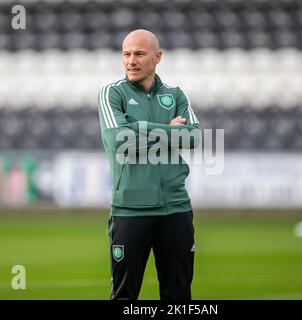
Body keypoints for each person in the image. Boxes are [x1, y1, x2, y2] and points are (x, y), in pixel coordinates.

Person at [97, 29, 201, 300]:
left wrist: (138, 129)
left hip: (176, 208)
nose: (131, 60)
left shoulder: (176, 94)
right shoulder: (111, 93)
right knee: (124, 297)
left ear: (157, 57)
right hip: (131, 210)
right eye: (126, 54)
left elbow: (194, 137)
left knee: (179, 296)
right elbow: (119, 142)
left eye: (139, 54)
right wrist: (168, 131)